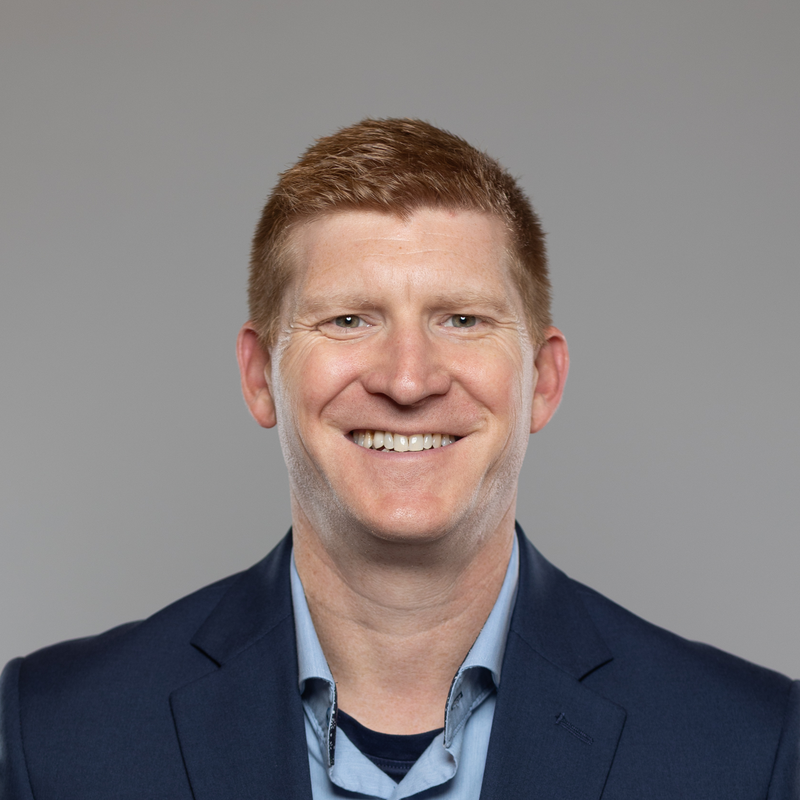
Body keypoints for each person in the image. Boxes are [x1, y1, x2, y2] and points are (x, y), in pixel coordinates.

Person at [1, 118, 797, 799]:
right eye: (349, 320)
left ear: (544, 381)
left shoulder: (748, 751)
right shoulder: (53, 735)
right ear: (260, 377)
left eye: (462, 319)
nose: (408, 380)